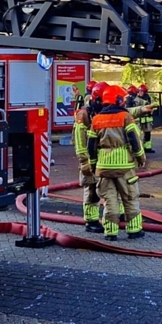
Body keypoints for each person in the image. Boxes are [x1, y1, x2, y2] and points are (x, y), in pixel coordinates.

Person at [88, 84, 146, 241]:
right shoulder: (125, 117)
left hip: (103, 167)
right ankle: (134, 230)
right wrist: (141, 157)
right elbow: (134, 139)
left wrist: (94, 165)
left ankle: (111, 232)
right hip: (124, 166)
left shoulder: (96, 119)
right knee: (129, 197)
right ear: (118, 99)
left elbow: (91, 147)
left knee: (109, 200)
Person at [74, 82, 107, 232]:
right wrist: (84, 161)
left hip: (102, 158)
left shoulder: (101, 112)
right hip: (89, 158)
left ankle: (114, 214)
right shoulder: (84, 114)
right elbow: (80, 142)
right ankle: (91, 220)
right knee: (92, 190)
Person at [136, 83, 155, 154]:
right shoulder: (136, 98)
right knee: (137, 134)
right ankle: (137, 149)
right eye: (139, 91)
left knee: (147, 134)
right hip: (139, 120)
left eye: (142, 91)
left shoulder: (148, 98)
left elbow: (151, 106)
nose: (140, 93)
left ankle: (147, 148)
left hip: (147, 119)